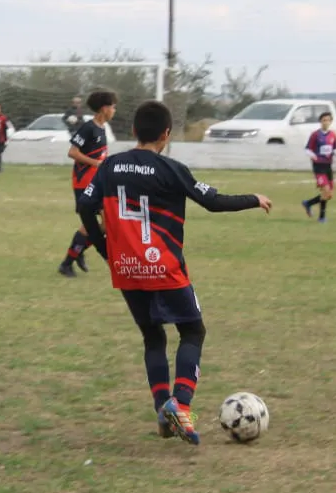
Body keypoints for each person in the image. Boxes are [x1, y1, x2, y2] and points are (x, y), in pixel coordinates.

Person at [77, 100, 271, 445]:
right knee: (193, 331)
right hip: (164, 268)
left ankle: (162, 408)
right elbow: (212, 201)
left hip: (126, 269)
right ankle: (180, 405)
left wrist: (106, 250)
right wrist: (253, 198)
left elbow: (84, 205)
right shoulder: (171, 169)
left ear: (134, 131)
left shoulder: (108, 167)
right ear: (165, 134)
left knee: (153, 337)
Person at [59, 91, 116, 277]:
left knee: (102, 225)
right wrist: (96, 163)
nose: (114, 111)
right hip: (84, 183)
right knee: (96, 225)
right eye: (113, 107)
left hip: (96, 183)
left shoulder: (102, 128)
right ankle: (69, 261)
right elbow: (72, 152)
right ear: (104, 109)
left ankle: (76, 254)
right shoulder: (88, 128)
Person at [301, 111, 336, 223]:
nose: (326, 122)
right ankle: (322, 217)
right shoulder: (315, 135)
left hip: (328, 166)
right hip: (318, 167)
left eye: (328, 120)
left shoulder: (333, 135)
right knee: (326, 191)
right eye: (324, 120)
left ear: (331, 122)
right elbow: (307, 149)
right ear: (320, 121)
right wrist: (313, 156)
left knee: (329, 195)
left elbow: (335, 148)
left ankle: (308, 203)